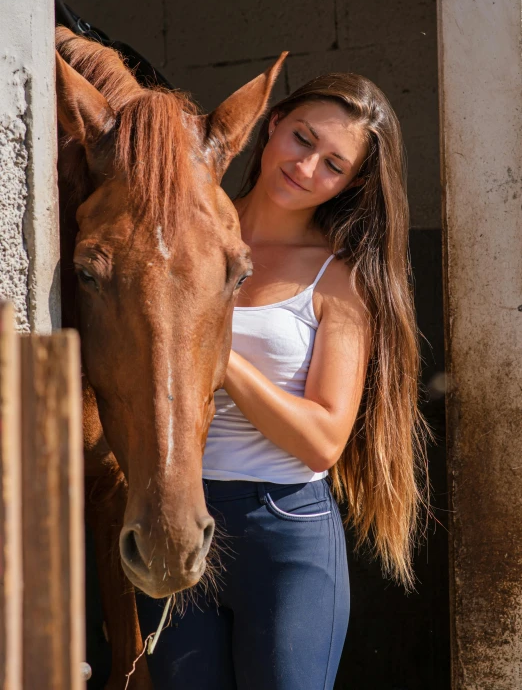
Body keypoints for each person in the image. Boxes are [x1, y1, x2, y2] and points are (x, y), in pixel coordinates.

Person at [137, 72, 428, 690]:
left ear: (350, 185)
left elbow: (323, 440)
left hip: (285, 531)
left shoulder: (339, 279)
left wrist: (219, 358)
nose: (305, 166)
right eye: (302, 138)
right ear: (272, 126)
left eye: (333, 164)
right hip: (178, 514)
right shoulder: (182, 236)